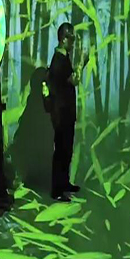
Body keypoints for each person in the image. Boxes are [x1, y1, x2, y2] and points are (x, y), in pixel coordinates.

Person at [47, 23, 86, 202]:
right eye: (72, 38)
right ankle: (57, 189)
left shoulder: (62, 58)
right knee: (61, 151)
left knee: (66, 150)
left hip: (65, 112)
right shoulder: (60, 60)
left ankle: (63, 183)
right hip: (61, 113)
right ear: (64, 39)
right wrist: (82, 61)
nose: (74, 42)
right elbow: (75, 80)